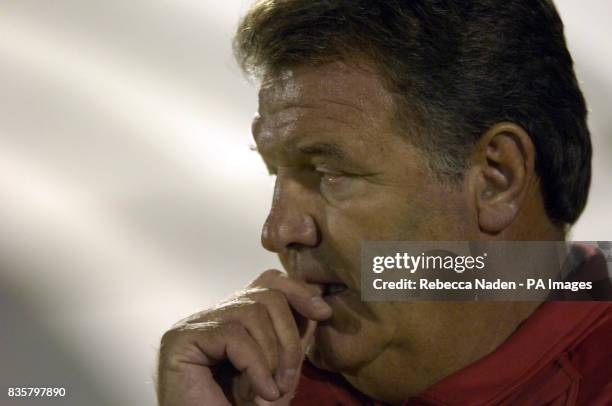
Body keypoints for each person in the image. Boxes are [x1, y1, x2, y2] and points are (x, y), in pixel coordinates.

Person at [157, 1, 612, 404]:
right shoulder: (258, 390)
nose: (278, 231)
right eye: (276, 174)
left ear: (497, 179)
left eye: (328, 172)